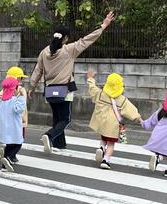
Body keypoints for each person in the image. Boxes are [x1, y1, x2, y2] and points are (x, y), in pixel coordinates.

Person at [28, 12, 116, 153]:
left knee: (57, 118)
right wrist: (104, 25)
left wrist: (31, 87)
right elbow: (87, 39)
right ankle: (49, 136)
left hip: (50, 90)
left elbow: (37, 71)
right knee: (65, 119)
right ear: (66, 38)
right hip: (65, 90)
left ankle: (59, 144)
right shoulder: (69, 50)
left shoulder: (44, 52)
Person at [86, 70, 142, 170]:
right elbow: (131, 110)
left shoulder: (101, 94)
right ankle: (106, 160)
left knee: (103, 137)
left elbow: (92, 88)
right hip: (112, 126)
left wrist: (90, 78)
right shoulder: (121, 99)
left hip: (101, 123)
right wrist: (139, 119)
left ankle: (101, 148)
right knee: (111, 144)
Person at [0, 66, 29, 156]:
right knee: (17, 140)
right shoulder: (15, 90)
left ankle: (10, 155)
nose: (21, 80)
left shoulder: (4, 91)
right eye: (20, 78)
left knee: (13, 139)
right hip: (16, 120)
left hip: (13, 120)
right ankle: (9, 155)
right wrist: (21, 96)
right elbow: (20, 107)